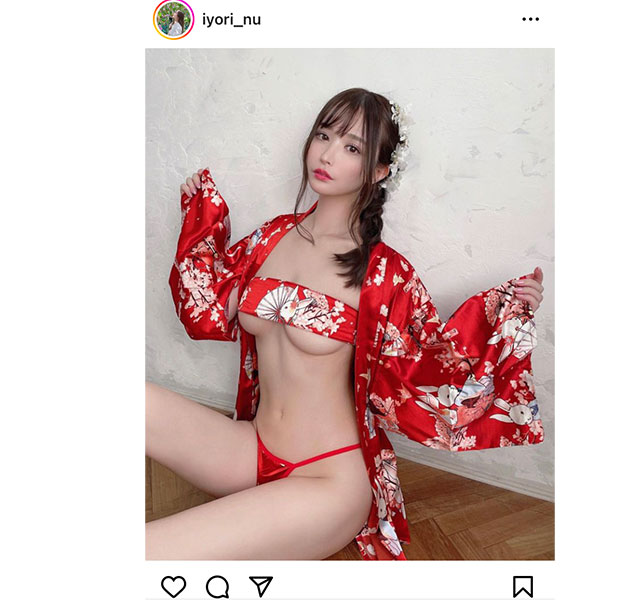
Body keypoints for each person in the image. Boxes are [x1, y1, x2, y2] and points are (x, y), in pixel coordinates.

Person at [146, 87, 546, 560]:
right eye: (324, 135)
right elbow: (206, 309)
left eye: (352, 147)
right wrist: (202, 217)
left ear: (378, 171)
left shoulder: (385, 273)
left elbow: (437, 372)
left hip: (327, 480)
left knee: (150, 551)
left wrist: (508, 315)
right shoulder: (272, 236)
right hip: (250, 448)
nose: (327, 154)